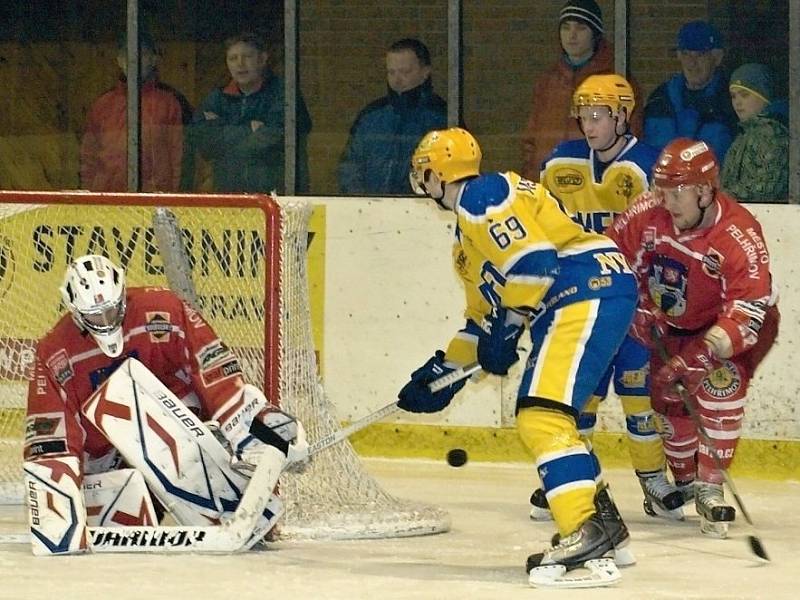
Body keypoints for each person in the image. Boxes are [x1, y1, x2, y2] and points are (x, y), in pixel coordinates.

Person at [402, 127, 638, 588]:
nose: (420, 179)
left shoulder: (481, 195)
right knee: (552, 416)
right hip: (587, 294)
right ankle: (604, 525)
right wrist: (441, 376)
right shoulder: (468, 241)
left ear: (434, 172)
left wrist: (510, 327)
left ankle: (583, 531)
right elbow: (480, 324)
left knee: (540, 417)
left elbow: (535, 263)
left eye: (422, 171)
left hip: (586, 290)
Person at [23, 255, 309, 555]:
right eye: (95, 316)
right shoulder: (55, 351)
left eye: (111, 311)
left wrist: (257, 428)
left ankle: (241, 499)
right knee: (122, 415)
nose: (106, 322)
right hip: (104, 462)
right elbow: (51, 439)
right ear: (75, 313)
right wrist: (57, 513)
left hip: (174, 429)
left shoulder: (163, 310)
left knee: (200, 427)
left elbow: (216, 375)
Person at [606, 138, 780, 538]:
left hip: (727, 328)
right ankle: (685, 481)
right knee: (670, 403)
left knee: (722, 386)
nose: (666, 201)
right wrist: (635, 306)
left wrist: (704, 354)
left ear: (705, 190)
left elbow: (750, 310)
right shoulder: (648, 213)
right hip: (671, 326)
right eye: (660, 189)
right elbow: (609, 256)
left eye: (677, 191)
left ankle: (711, 486)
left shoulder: (739, 232)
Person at [531, 74, 683, 521]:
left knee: (640, 398)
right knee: (580, 400)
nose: (590, 124)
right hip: (582, 304)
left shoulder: (652, 167)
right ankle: (578, 483)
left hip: (635, 303)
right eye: (584, 116)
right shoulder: (561, 161)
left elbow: (670, 237)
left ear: (621, 115)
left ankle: (654, 482)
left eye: (599, 115)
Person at [520, 0, 643, 181]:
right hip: (548, 185)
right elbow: (532, 139)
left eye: (581, 28)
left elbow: (631, 136)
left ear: (595, 34)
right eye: (566, 28)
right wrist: (532, 179)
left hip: (596, 188)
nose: (572, 35)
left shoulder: (617, 80)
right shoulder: (548, 81)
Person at [190, 32, 312, 193]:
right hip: (228, 195)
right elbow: (204, 142)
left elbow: (277, 137)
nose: (240, 64)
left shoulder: (284, 94)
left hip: (278, 196)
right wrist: (250, 129)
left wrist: (226, 138)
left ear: (262, 59)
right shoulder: (217, 98)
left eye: (247, 56)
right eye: (233, 58)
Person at [80, 32, 194, 192]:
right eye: (127, 54)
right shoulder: (103, 105)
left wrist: (173, 198)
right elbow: (88, 156)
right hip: (108, 199)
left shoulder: (170, 103)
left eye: (141, 54)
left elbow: (179, 156)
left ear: (154, 59)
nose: (133, 60)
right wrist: (90, 196)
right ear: (119, 60)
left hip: (155, 199)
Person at [338, 38, 447, 195]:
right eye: (391, 72)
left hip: (422, 211)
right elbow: (350, 165)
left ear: (425, 72)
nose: (397, 79)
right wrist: (359, 198)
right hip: (368, 209)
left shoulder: (441, 117)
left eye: (405, 72)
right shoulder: (371, 116)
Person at [643, 20, 737, 162]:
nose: (692, 63)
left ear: (717, 58)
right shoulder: (659, 100)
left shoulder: (732, 102)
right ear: (679, 56)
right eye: (686, 54)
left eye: (700, 55)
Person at [721, 63, 789, 202]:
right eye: (734, 96)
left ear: (764, 97)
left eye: (745, 95)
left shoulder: (772, 134)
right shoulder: (744, 134)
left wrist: (724, 196)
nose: (737, 102)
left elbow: (767, 187)